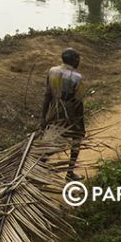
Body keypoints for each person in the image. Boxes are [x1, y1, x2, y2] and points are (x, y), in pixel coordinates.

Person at [40, 47, 86, 181]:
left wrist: (43, 117)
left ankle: (38, 167)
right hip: (70, 111)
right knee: (76, 138)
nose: (79, 61)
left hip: (54, 109)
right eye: (78, 59)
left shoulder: (52, 71)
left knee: (50, 139)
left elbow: (47, 95)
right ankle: (70, 173)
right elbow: (78, 101)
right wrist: (80, 122)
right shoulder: (77, 77)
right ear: (75, 60)